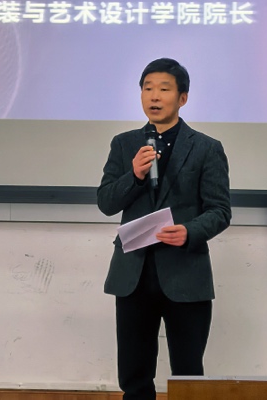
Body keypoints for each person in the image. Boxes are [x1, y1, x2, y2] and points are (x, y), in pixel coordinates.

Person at [96, 58, 231, 399]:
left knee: (188, 374)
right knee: (134, 374)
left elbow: (219, 210)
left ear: (182, 98)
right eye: (147, 88)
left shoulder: (206, 148)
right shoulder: (124, 144)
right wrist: (135, 175)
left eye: (164, 89)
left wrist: (190, 231)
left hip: (185, 273)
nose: (154, 96)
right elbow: (106, 202)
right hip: (133, 275)